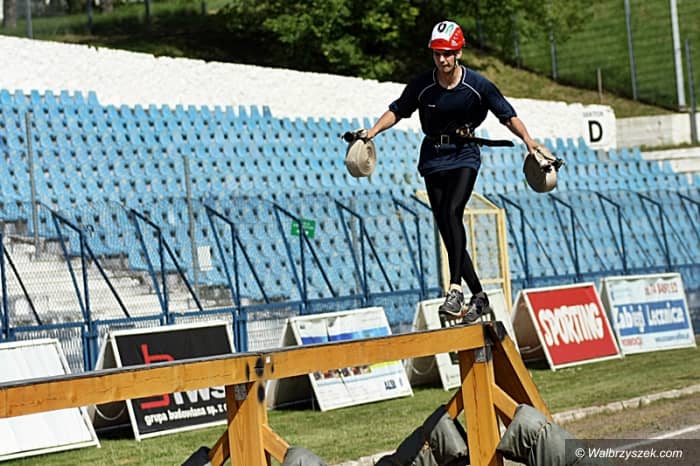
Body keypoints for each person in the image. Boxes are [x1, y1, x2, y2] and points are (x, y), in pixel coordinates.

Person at [359, 20, 540, 323]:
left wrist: (528, 140)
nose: (442, 59)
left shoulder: (477, 85)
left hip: (464, 154)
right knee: (447, 226)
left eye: (447, 53)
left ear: (459, 53)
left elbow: (507, 115)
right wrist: (372, 132)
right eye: (437, 53)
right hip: (433, 156)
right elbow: (398, 110)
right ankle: (479, 296)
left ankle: (455, 289)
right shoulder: (423, 85)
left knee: (453, 211)